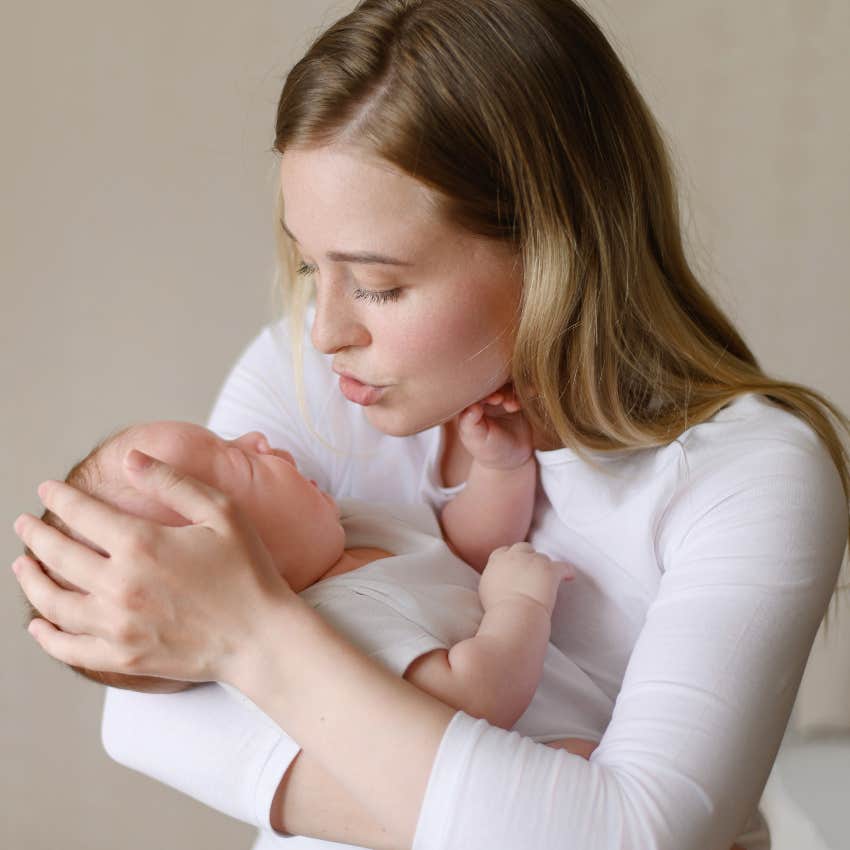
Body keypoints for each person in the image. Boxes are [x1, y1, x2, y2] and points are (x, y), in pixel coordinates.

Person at [11, 1, 850, 849]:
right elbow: (142, 714)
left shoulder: (748, 477)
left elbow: (631, 840)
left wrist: (245, 636)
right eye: (309, 265)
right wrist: (535, 807)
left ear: (553, 244)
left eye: (376, 284)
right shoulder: (305, 374)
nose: (326, 327)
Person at [22, 418, 606, 764]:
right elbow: (476, 698)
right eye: (238, 459)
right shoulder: (335, 628)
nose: (256, 436)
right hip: (539, 765)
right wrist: (518, 605)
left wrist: (499, 468)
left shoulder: (351, 529)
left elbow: (460, 546)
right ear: (242, 559)